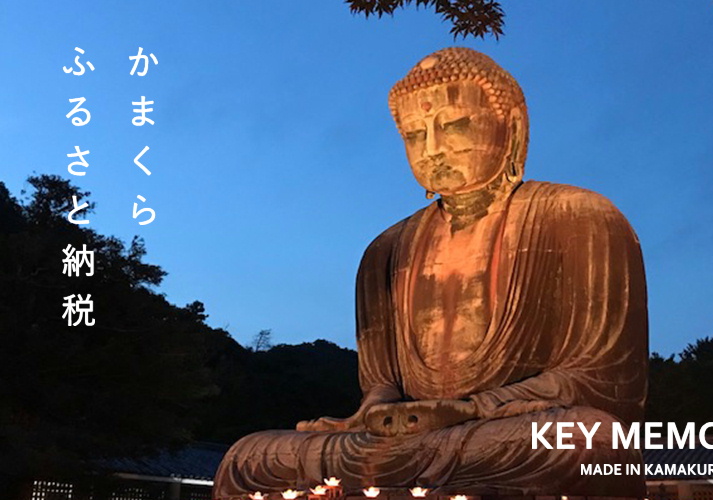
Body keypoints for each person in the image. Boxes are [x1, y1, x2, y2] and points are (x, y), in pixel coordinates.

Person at [213, 47, 648, 499]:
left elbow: (601, 381)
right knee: (249, 456)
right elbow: (382, 383)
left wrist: (471, 409)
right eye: (415, 134)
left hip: (508, 431)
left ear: (513, 128)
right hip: (411, 441)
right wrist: (381, 409)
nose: (433, 149)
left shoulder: (580, 216)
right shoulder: (385, 250)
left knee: (587, 441)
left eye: (455, 125)